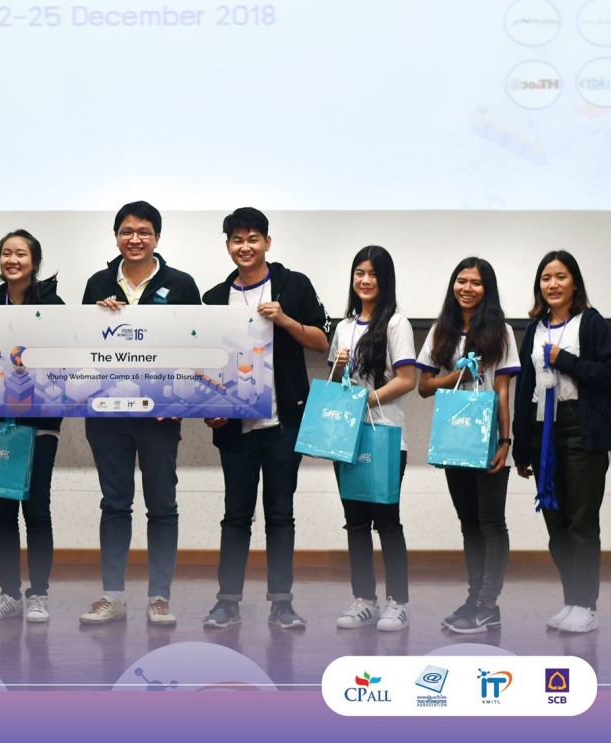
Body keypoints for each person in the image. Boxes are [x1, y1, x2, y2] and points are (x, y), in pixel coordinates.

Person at [201, 207, 329, 630]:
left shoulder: (293, 284)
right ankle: (227, 602)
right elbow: (206, 366)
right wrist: (211, 410)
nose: (245, 246)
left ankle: (282, 603)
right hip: (235, 428)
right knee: (235, 516)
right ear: (227, 246)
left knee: (280, 514)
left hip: (283, 422)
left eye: (253, 238)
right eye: (237, 240)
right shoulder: (214, 298)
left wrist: (285, 319)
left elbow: (321, 342)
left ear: (267, 242)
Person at [79, 201, 201, 625]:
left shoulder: (181, 284)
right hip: (106, 414)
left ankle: (159, 597)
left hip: (158, 416)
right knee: (114, 504)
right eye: (127, 231)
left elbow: (196, 346)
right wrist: (97, 319)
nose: (135, 239)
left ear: (157, 238)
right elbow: (82, 346)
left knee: (162, 505)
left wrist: (181, 402)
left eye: (144, 232)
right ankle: (112, 596)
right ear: (116, 237)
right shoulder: (97, 283)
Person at [513, 250, 611, 634]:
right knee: (556, 525)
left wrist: (566, 360)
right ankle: (571, 600)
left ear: (574, 282)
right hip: (542, 432)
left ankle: (586, 606)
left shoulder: (590, 323)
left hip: (581, 430)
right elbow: (525, 388)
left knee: (581, 524)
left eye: (561, 277)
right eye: (546, 278)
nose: (553, 284)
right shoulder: (534, 329)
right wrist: (521, 445)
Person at [417, 258, 520, 633]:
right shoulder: (440, 330)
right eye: (461, 281)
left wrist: (505, 440)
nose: (467, 288)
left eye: (475, 282)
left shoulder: (501, 331)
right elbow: (424, 387)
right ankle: (474, 598)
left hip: (489, 437)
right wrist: (457, 375)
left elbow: (503, 389)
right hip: (456, 437)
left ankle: (488, 603)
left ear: (486, 289)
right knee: (469, 523)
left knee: (491, 523)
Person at [0, 229, 63, 623]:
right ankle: (8, 593)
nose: (12, 260)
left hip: (40, 424)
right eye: (6, 253)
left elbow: (64, 361)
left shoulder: (54, 306)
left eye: (21, 254)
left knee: (37, 510)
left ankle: (39, 594)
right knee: (1, 512)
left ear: (35, 262)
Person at [329, 245, 416, 632]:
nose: (365, 281)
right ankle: (364, 599)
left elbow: (407, 380)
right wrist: (338, 367)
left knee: (387, 521)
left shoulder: (396, 323)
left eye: (373, 274)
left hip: (385, 435)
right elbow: (336, 385)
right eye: (359, 273)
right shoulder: (344, 326)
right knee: (355, 522)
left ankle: (398, 603)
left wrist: (367, 399)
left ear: (386, 280)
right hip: (347, 436)